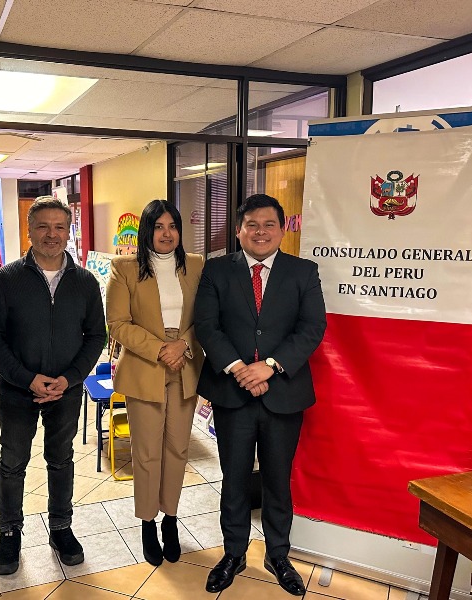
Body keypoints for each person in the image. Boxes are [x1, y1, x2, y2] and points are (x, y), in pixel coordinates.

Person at [194, 194, 326, 596]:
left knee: (277, 479)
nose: (260, 232)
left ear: (282, 229)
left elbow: (312, 327)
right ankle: (233, 553)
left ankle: (278, 555)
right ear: (238, 230)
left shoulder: (303, 272)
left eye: (269, 224)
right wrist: (239, 369)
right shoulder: (217, 270)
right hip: (231, 394)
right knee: (233, 479)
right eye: (251, 224)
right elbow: (207, 325)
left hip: (283, 393)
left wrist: (270, 365)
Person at [0, 196, 106, 575]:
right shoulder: (6, 279)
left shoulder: (85, 282)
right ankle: (9, 532)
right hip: (17, 391)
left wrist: (70, 378)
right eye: (43, 226)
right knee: (12, 462)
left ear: (68, 231)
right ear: (29, 231)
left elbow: (96, 336)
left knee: (61, 459)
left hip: (66, 391)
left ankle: (61, 528)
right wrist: (27, 379)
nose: (51, 234)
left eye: (59, 227)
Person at [106, 199, 205, 566]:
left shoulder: (196, 265)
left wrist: (183, 345)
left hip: (186, 363)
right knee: (147, 452)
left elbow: (208, 316)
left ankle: (170, 519)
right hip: (145, 365)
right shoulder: (125, 268)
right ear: (146, 231)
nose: (166, 234)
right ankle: (148, 522)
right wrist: (161, 349)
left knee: (177, 449)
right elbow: (117, 323)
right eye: (159, 227)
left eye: (172, 226)